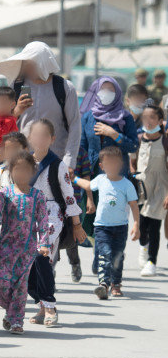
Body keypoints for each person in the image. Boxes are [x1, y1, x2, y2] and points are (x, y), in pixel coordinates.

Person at [27, 119, 86, 327]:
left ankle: (50, 305)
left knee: (42, 256)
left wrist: (77, 225)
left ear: (52, 139)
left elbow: (69, 197)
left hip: (50, 217)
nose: (40, 139)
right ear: (29, 137)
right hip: (27, 216)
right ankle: (41, 305)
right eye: (36, 135)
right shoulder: (24, 163)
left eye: (45, 135)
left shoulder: (58, 165)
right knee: (31, 264)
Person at [0, 151, 49, 334]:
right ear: (11, 171)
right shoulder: (5, 193)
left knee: (21, 285)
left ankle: (16, 320)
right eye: (17, 169)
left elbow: (43, 222)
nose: (21, 173)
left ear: (32, 171)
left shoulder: (38, 196)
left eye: (25, 169)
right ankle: (11, 311)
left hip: (27, 249)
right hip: (5, 246)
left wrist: (43, 244)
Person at [0, 41, 81, 169]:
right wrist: (17, 111)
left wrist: (69, 161)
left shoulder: (65, 88)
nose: (27, 68)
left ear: (43, 64)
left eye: (32, 64)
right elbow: (1, 123)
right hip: (21, 162)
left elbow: (75, 127)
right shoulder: (16, 86)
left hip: (55, 162)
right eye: (26, 63)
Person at [80, 76, 139, 253]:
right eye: (102, 89)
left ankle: (103, 255)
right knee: (93, 215)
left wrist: (114, 134)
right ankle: (100, 251)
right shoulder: (89, 116)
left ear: (118, 92)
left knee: (111, 214)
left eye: (111, 90)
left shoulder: (125, 117)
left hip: (116, 175)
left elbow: (133, 145)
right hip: (94, 172)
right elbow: (83, 146)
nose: (106, 93)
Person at [75, 147, 139, 299]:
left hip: (120, 227)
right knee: (105, 254)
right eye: (108, 163)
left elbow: (134, 205)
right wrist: (74, 179)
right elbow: (88, 185)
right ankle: (103, 285)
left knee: (117, 256)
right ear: (102, 166)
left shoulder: (126, 184)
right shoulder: (100, 180)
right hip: (102, 227)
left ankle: (116, 284)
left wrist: (136, 224)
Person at [131, 104, 168, 277]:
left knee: (154, 225)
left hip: (160, 188)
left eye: (152, 117)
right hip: (141, 188)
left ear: (160, 121)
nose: (148, 121)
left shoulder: (166, 140)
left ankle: (151, 261)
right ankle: (143, 246)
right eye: (145, 117)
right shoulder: (138, 138)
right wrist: (133, 177)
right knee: (142, 226)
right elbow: (132, 161)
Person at [66, 145, 95, 283]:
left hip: (74, 201)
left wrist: (89, 198)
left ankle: (75, 263)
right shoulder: (50, 148)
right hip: (52, 202)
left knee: (71, 237)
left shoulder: (80, 151)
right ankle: (49, 273)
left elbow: (87, 176)